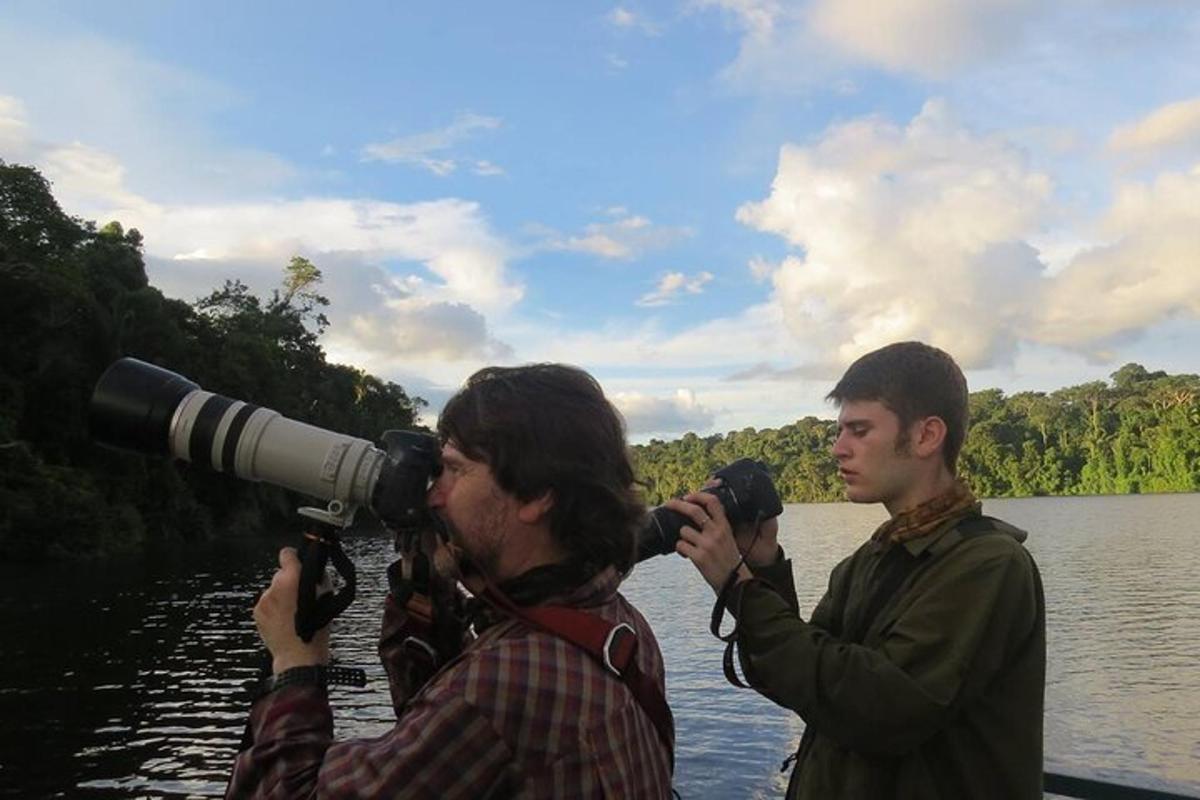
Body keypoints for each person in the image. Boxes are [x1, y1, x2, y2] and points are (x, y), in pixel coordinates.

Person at [228, 363, 674, 798]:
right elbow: (429, 724)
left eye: (454, 470)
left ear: (537, 496)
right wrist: (423, 579)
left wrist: (293, 664)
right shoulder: (618, 627)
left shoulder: (499, 688)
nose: (433, 495)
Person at [669, 341, 1045, 799]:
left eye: (859, 430)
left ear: (927, 436)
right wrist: (762, 566)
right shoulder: (871, 559)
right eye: (839, 430)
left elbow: (881, 711)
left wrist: (740, 587)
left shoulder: (989, 564)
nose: (837, 449)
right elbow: (809, 684)